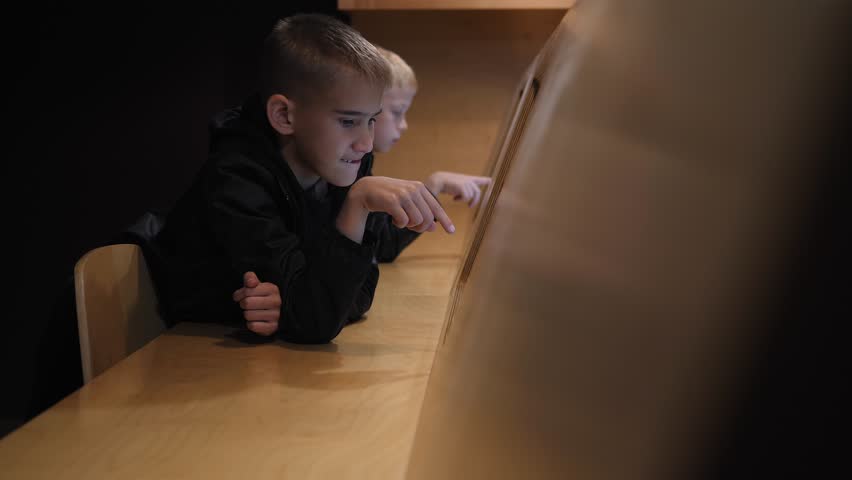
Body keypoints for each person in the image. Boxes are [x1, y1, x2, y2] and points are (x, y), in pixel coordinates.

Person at [155, 14, 454, 343]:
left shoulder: (343, 161)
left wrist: (300, 300)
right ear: (284, 116)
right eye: (348, 121)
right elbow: (318, 320)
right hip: (184, 357)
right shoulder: (235, 180)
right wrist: (355, 206)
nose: (366, 143)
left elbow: (356, 297)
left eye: (371, 120)